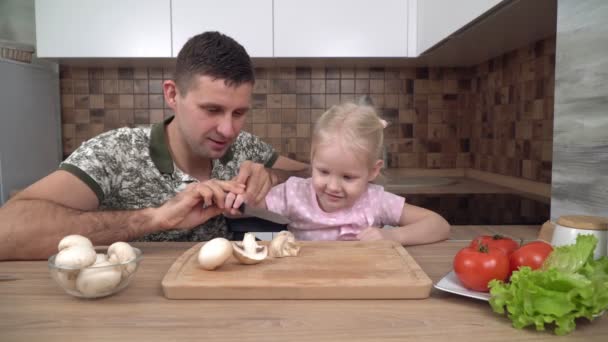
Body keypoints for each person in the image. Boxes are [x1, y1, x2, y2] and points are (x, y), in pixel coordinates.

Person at [0, 31, 308, 260]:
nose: (228, 129)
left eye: (239, 113)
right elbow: (7, 231)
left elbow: (315, 175)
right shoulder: (115, 153)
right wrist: (155, 218)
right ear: (173, 95)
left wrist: (274, 177)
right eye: (212, 110)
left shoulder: (244, 148)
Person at [226, 102, 450, 245]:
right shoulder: (296, 192)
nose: (332, 186)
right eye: (323, 171)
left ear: (373, 171)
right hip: (305, 284)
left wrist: (393, 236)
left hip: (359, 286)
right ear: (312, 161)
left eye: (348, 177)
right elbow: (244, 206)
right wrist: (235, 199)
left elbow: (438, 224)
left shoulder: (376, 200)